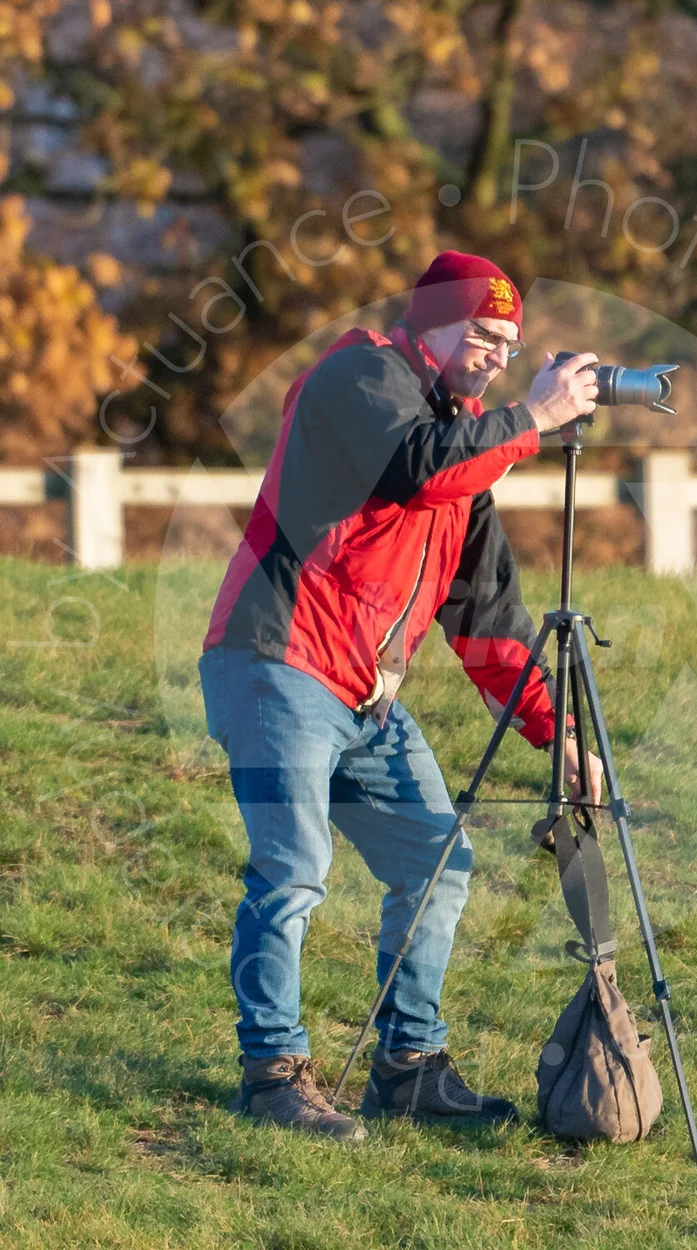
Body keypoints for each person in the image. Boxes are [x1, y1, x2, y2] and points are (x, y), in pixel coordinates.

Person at [198, 250, 603, 1141]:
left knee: (437, 864)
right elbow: (415, 466)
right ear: (435, 322)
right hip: (277, 662)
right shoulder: (361, 374)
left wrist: (559, 737)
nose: (498, 353)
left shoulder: (468, 461)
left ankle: (408, 1069)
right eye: (485, 334)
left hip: (363, 698)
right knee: (293, 870)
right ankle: (272, 1078)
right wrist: (533, 417)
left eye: (511, 343)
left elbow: (492, 629)